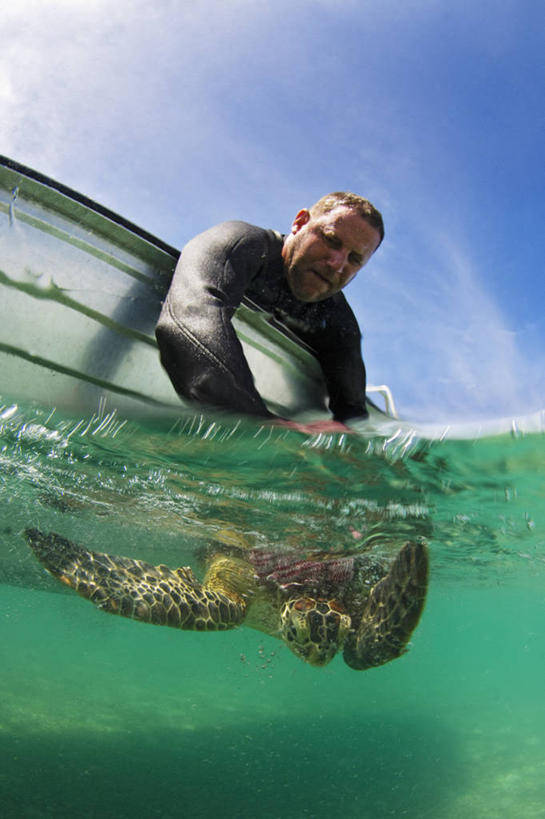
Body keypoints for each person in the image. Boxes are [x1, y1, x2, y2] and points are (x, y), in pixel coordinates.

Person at [155, 192, 384, 433]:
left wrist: (346, 440)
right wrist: (258, 422)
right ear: (300, 222)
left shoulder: (338, 319)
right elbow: (189, 318)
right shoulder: (243, 243)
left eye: (355, 259)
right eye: (331, 239)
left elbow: (353, 413)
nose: (337, 264)